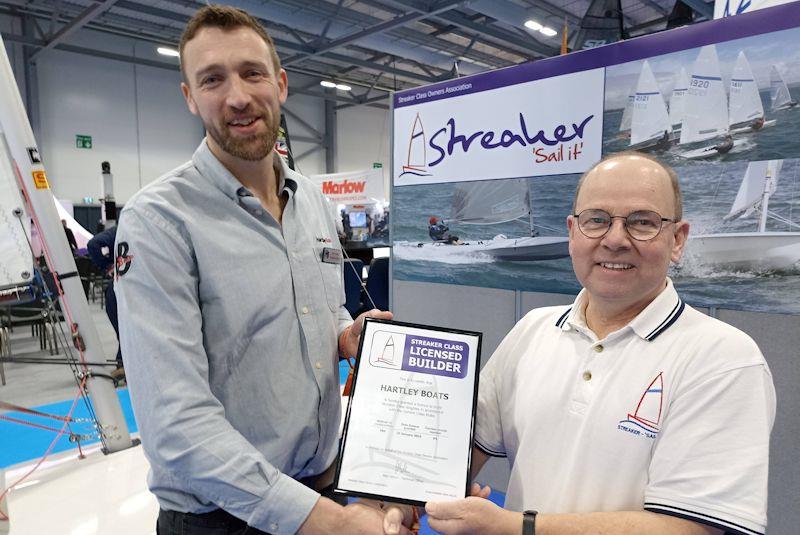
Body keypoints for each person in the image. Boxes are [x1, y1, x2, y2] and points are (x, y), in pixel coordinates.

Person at [115, 6, 412, 535]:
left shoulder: (312, 199)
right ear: (190, 97)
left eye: (252, 73)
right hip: (222, 518)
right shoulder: (158, 220)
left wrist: (345, 334)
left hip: (321, 485)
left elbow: (324, 307)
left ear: (280, 83)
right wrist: (332, 524)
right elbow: (175, 425)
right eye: (212, 79)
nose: (237, 97)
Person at [425, 152, 775, 535]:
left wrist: (513, 527)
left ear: (677, 240)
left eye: (643, 222)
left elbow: (688, 528)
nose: (614, 239)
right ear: (573, 232)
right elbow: (457, 452)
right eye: (597, 220)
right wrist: (394, 500)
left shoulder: (724, 359)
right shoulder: (532, 330)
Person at [86, 225, 124, 380]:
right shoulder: (120, 230)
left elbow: (94, 244)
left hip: (117, 288)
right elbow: (93, 244)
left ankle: (123, 365)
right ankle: (123, 366)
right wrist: (107, 266)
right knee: (125, 332)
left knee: (124, 333)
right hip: (119, 290)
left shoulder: (120, 230)